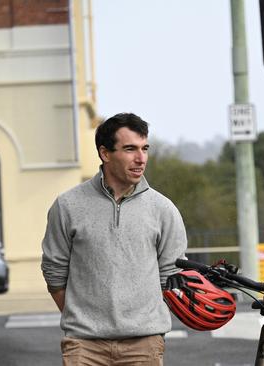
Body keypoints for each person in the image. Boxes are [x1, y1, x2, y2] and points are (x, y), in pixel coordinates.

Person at [41, 112, 187, 366]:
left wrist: (146, 323)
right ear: (105, 153)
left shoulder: (163, 209)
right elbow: (54, 272)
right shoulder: (67, 206)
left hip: (144, 345)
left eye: (145, 148)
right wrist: (83, 319)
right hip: (84, 346)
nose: (140, 159)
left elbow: (172, 276)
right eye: (130, 149)